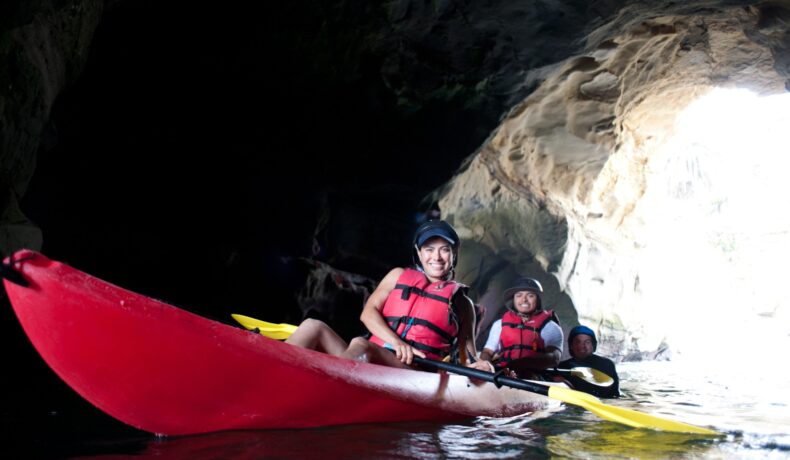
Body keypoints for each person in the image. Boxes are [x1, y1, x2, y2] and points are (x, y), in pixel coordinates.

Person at [285, 220, 478, 369]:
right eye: (429, 250)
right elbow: (368, 313)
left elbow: (467, 358)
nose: (436, 257)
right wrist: (397, 342)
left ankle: (325, 385)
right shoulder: (397, 276)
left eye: (444, 250)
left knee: (362, 344)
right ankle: (275, 371)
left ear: (454, 253)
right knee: (313, 326)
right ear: (419, 253)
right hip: (373, 358)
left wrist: (480, 365)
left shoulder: (462, 303)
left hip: (414, 371)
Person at [470, 278, 563, 379]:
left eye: (530, 295)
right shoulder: (499, 324)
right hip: (503, 374)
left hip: (535, 376)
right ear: (513, 300)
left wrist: (521, 364)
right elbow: (487, 352)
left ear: (538, 299)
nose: (524, 299)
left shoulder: (550, 327)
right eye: (519, 295)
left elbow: (554, 358)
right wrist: (484, 365)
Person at [557, 325, 620, 398]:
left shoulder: (607, 365)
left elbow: (615, 394)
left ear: (593, 345)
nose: (583, 346)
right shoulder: (562, 367)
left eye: (587, 342)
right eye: (578, 342)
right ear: (571, 346)